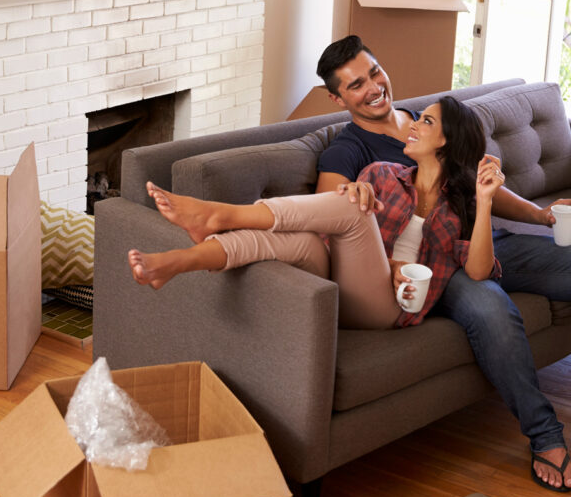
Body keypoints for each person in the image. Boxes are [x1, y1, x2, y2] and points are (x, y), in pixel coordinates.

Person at [314, 35, 571, 493]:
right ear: (337, 98)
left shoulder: (423, 120)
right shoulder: (347, 153)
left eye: (373, 72)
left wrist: (542, 214)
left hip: (489, 240)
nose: (372, 87)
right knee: (491, 310)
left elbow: (475, 181)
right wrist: (352, 204)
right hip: (440, 267)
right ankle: (544, 435)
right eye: (354, 85)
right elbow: (327, 216)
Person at [128, 96, 503, 334]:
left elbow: (478, 271)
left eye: (428, 122)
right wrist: (355, 206)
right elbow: (331, 239)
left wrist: (485, 201)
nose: (414, 124)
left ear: (447, 141)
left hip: (387, 309)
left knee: (353, 208)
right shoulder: (381, 174)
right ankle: (178, 262)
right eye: (420, 118)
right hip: (334, 283)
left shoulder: (461, 208)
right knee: (301, 237)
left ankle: (219, 215)